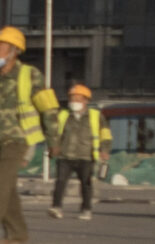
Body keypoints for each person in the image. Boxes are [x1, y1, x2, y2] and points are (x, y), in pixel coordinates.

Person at [0, 28, 43, 244]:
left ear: (14, 51)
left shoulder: (30, 74)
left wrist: (54, 140)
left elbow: (48, 108)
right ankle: (18, 236)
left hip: (17, 140)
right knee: (6, 191)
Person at [46, 85, 109, 221]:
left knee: (86, 184)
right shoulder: (63, 115)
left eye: (77, 98)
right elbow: (54, 133)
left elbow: (105, 134)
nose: (73, 101)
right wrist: (53, 147)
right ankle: (56, 207)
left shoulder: (96, 116)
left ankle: (86, 210)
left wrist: (105, 150)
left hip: (86, 156)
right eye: (71, 98)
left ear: (85, 100)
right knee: (60, 182)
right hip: (65, 155)